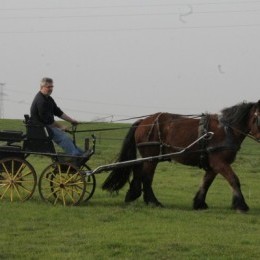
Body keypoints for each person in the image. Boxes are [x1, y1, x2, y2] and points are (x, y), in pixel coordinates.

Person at [30, 77, 85, 156]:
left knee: (66, 138)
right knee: (64, 138)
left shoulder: (48, 98)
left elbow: (58, 112)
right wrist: (61, 126)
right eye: (48, 87)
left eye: (52, 87)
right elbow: (48, 121)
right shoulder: (41, 101)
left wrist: (71, 120)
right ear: (42, 87)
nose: (51, 89)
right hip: (41, 128)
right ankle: (74, 155)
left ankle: (80, 153)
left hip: (46, 127)